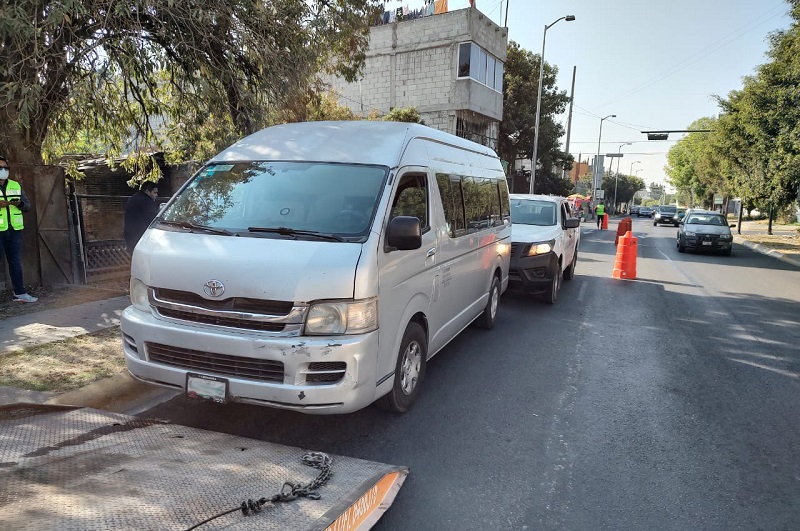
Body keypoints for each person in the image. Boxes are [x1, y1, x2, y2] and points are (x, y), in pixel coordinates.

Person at [0, 156, 38, 302]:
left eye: (6, 168)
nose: (4, 170)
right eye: (0, 168)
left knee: (15, 262)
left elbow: (27, 206)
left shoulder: (15, 185)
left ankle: (20, 293)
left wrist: (19, 204)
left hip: (14, 230)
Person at [124, 181, 159, 254]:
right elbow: (154, 218)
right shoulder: (147, 201)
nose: (156, 195)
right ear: (147, 191)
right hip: (140, 236)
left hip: (130, 235)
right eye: (154, 193)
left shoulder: (134, 198)